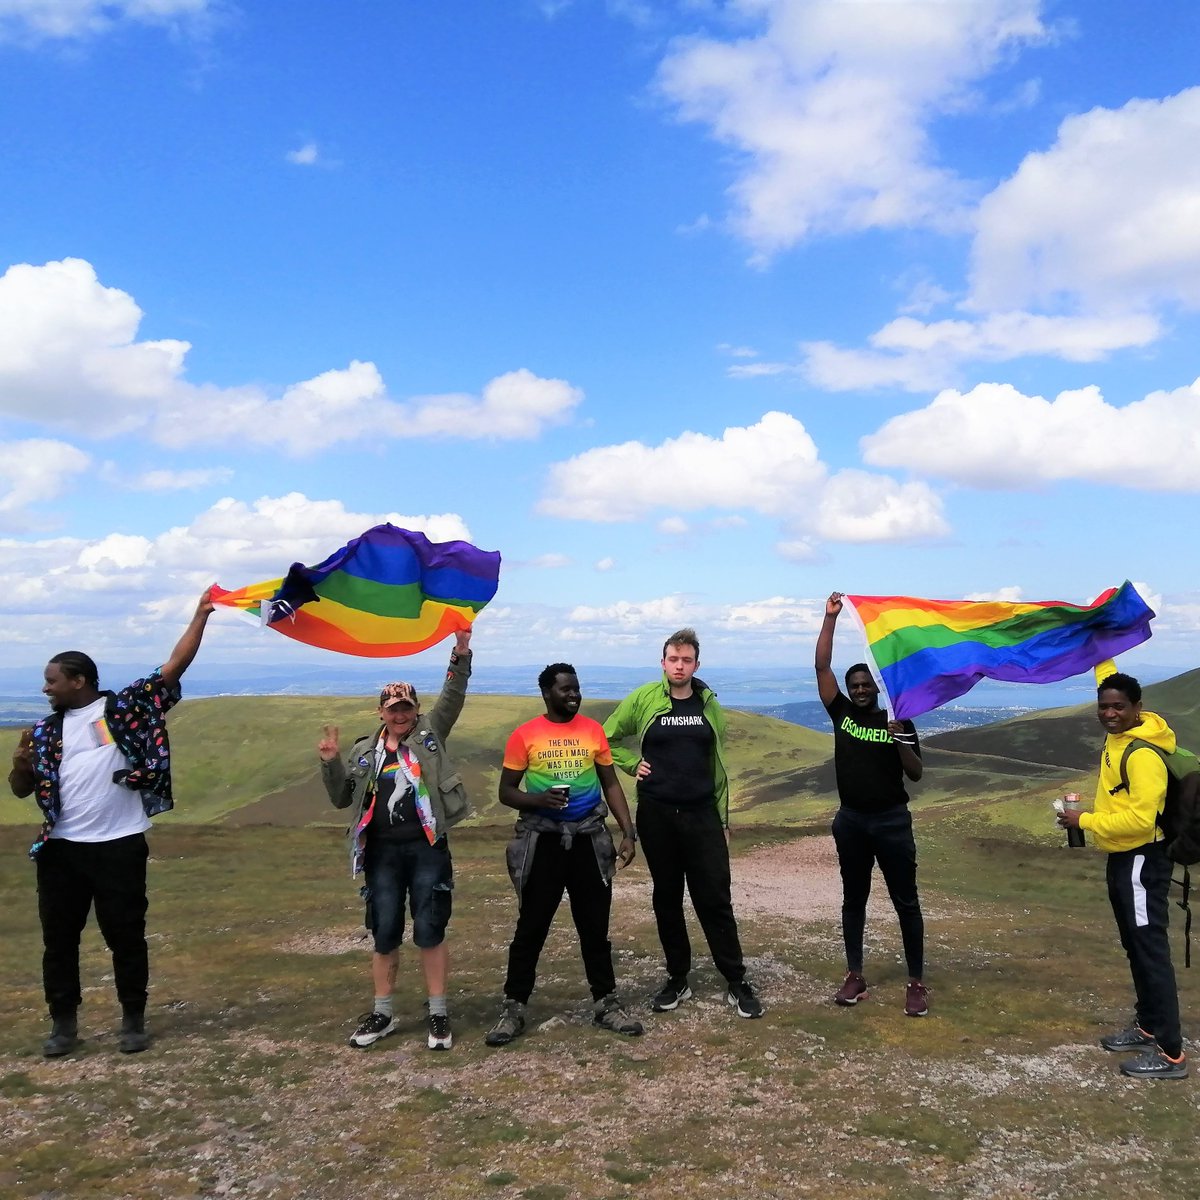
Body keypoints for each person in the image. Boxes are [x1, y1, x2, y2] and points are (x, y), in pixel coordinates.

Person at [8, 589, 216, 1057]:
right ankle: (63, 1025)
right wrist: (21, 763)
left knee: (125, 937)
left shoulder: (119, 712)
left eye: (51, 681)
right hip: (61, 850)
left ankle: (133, 1021)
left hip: (118, 845)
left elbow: (172, 668)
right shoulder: (45, 731)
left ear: (79, 680)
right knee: (58, 942)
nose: (45, 689)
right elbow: (22, 788)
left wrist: (200, 615)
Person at [319, 629, 473, 1052]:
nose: (400, 715)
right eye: (393, 709)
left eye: (406, 707)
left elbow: (453, 697)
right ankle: (383, 1012)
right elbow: (340, 799)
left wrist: (461, 651)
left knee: (430, 929)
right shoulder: (365, 751)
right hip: (381, 853)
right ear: (381, 711)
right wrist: (331, 763)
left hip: (427, 847)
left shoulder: (430, 735)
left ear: (416, 710)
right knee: (384, 931)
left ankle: (438, 1014)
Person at [603, 628, 763, 1019]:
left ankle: (736, 979)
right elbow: (604, 738)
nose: (679, 666)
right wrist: (628, 763)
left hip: (702, 813)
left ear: (696, 663)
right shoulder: (644, 698)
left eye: (686, 660)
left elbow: (718, 763)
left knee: (715, 898)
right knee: (667, 898)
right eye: (673, 659)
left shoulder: (708, 703)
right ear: (663, 662)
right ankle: (677, 978)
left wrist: (723, 820)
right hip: (657, 815)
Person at [485, 663, 642, 1045]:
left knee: (594, 928)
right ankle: (514, 1007)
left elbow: (610, 783)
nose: (573, 695)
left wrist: (628, 831)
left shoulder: (592, 732)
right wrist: (537, 800)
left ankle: (607, 1004)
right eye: (565, 689)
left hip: (589, 840)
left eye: (576, 689)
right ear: (546, 693)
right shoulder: (525, 736)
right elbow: (506, 791)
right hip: (542, 843)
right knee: (531, 927)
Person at [1057, 664, 1187, 1079]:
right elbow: (1107, 679)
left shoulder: (1143, 754)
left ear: (1137, 709)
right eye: (1104, 706)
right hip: (1123, 859)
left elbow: (1138, 821)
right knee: (1135, 945)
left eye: (1119, 707)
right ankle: (1147, 1025)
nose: (1109, 713)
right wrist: (1101, 639)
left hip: (1142, 860)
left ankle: (1170, 1053)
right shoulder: (1120, 737)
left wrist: (1086, 821)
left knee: (1150, 951)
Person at [815, 592, 928, 1016]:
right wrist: (830, 619)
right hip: (851, 822)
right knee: (853, 899)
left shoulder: (899, 719)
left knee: (906, 901)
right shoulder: (841, 714)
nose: (861, 690)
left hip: (892, 821)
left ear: (876, 688)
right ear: (849, 690)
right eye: (855, 686)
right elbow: (821, 666)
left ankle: (916, 981)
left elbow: (915, 773)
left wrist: (901, 741)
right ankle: (855, 975)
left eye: (867, 686)